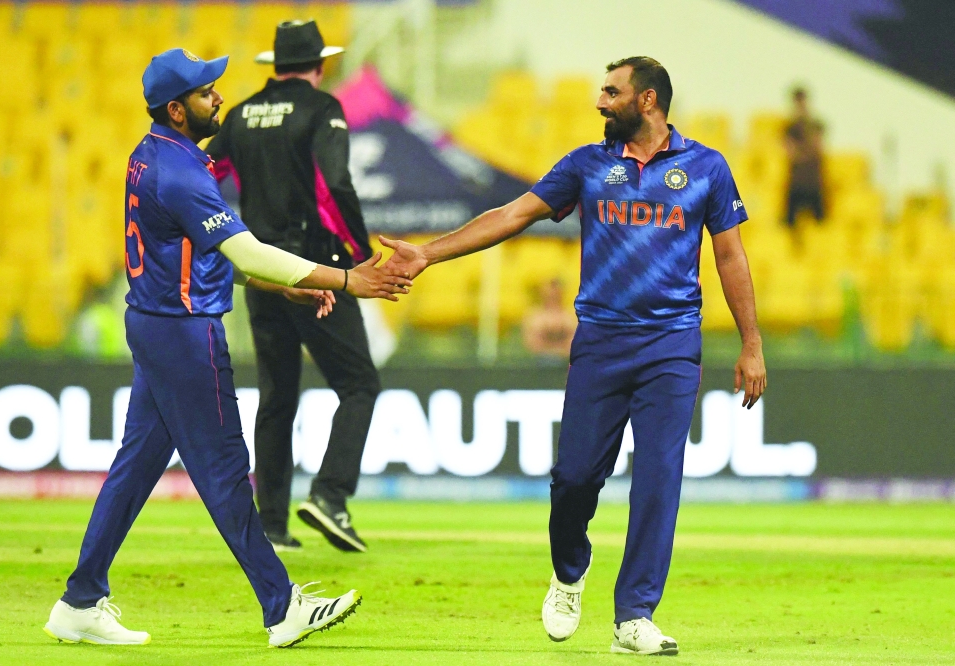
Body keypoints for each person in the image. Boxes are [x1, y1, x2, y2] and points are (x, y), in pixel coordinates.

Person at [381, 56, 766, 655]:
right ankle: (568, 571)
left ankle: (634, 615)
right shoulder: (587, 165)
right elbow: (513, 215)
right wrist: (429, 255)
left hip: (671, 345)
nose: (599, 101)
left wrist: (751, 343)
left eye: (611, 92)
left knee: (660, 481)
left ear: (647, 101)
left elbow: (731, 259)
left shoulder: (707, 168)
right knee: (574, 479)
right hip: (601, 344)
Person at [43, 48, 411, 648]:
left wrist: (281, 289)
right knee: (224, 472)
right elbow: (247, 251)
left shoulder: (151, 156)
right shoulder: (182, 172)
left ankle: (81, 599)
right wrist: (346, 279)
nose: (218, 96)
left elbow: (200, 253)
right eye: (205, 91)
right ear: (177, 110)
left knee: (135, 469)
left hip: (158, 323)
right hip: (186, 334)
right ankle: (282, 607)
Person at [206, 20, 376, 554]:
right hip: (315, 267)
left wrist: (227, 241)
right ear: (320, 65)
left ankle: (272, 525)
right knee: (357, 384)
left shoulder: (238, 116)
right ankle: (330, 495)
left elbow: (204, 181)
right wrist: (361, 258)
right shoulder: (323, 109)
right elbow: (333, 186)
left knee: (277, 397)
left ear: (274, 65)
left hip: (262, 270)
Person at [784, 86, 825, 227]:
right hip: (796, 182)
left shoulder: (816, 125)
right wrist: (806, 151)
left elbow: (818, 149)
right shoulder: (790, 128)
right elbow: (791, 154)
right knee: (788, 225)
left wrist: (802, 151)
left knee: (821, 227)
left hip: (814, 182)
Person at [521, 278, 576, 361]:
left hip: (566, 362)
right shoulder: (534, 317)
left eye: (556, 293)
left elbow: (573, 342)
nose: (553, 294)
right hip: (539, 364)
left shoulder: (570, 317)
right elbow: (532, 343)